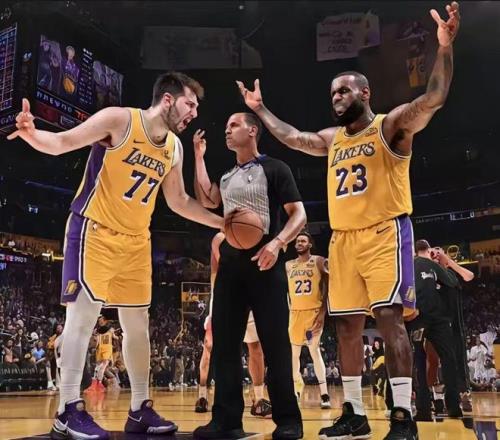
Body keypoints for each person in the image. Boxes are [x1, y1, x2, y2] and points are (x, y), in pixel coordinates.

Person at [237, 3, 460, 438]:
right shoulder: (332, 139)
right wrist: (260, 111)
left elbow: (433, 97)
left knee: (390, 319)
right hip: (343, 241)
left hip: (385, 232)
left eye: (344, 91)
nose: (337, 97)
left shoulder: (391, 127)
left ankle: (402, 415)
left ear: (365, 93)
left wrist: (445, 48)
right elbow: (293, 138)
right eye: (333, 94)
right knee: (346, 326)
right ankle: (354, 413)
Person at [9, 71, 224, 440]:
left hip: (136, 241)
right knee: (82, 317)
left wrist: (222, 223)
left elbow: (178, 201)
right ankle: (67, 410)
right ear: (168, 99)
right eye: (190, 104)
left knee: (137, 323)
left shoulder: (174, 147)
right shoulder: (119, 120)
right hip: (94, 229)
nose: (194, 113)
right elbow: (61, 142)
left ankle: (140, 409)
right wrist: (32, 133)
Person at [192, 113, 306, 439]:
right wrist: (198, 157)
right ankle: (226, 421)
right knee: (225, 346)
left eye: (234, 125)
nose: (227, 130)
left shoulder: (275, 168)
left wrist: (278, 243)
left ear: (252, 130)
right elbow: (207, 199)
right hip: (230, 265)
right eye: (226, 126)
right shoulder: (227, 176)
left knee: (275, 345)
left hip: (266, 263)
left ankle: (288, 420)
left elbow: (299, 213)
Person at [195, 232, 272, 419]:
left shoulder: (258, 232)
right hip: (224, 295)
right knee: (210, 347)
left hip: (251, 292)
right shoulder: (219, 238)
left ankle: (259, 400)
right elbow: (214, 273)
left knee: (255, 348)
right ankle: (202, 396)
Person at [408, 240, 463, 419]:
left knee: (419, 361)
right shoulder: (433, 265)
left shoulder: (409, 265)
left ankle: (423, 409)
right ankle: (453, 406)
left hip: (418, 318)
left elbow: (405, 288)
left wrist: (410, 308)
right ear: (428, 250)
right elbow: (452, 281)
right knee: (449, 359)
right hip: (439, 320)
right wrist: (445, 263)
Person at [285, 231, 330, 409]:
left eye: (303, 241)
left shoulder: (319, 261)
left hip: (313, 313)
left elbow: (328, 285)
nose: (300, 243)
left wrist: (323, 312)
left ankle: (324, 394)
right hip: (295, 314)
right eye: (298, 241)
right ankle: (295, 390)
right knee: (294, 353)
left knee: (314, 350)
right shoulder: (288, 265)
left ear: (310, 244)